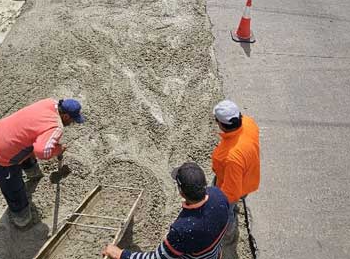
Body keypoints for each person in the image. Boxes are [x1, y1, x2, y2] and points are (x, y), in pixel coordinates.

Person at [0, 98, 85, 227]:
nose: (72, 123)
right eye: (72, 120)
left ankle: (34, 174)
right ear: (65, 116)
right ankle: (21, 217)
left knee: (29, 143)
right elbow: (42, 152)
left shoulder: (49, 102)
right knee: (14, 188)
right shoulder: (56, 126)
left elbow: (35, 133)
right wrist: (57, 149)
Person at [102, 162, 230, 259]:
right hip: (215, 254)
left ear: (181, 192)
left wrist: (120, 253)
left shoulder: (182, 230)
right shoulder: (219, 195)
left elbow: (156, 258)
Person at [211, 100, 260, 258]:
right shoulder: (249, 123)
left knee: (228, 211)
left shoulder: (229, 156)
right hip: (250, 176)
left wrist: (218, 204)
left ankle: (227, 236)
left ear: (221, 124)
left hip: (233, 184)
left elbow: (230, 193)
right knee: (240, 195)